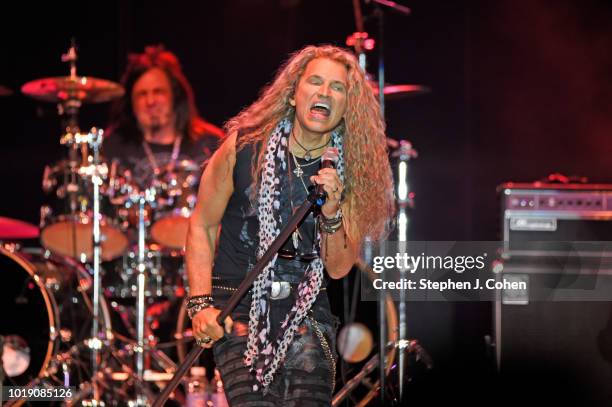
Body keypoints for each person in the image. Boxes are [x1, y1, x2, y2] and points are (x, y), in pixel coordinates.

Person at [185, 45, 394, 406]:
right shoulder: (246, 146)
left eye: (337, 87)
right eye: (315, 81)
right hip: (238, 306)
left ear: (348, 106)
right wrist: (200, 303)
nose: (324, 93)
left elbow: (339, 266)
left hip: (307, 311)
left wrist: (331, 212)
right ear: (294, 92)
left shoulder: (352, 173)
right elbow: (202, 225)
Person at [104, 45, 223, 189]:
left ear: (176, 96)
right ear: (131, 102)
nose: (150, 101)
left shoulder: (211, 144)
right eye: (142, 94)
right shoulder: (112, 148)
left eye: (158, 91)